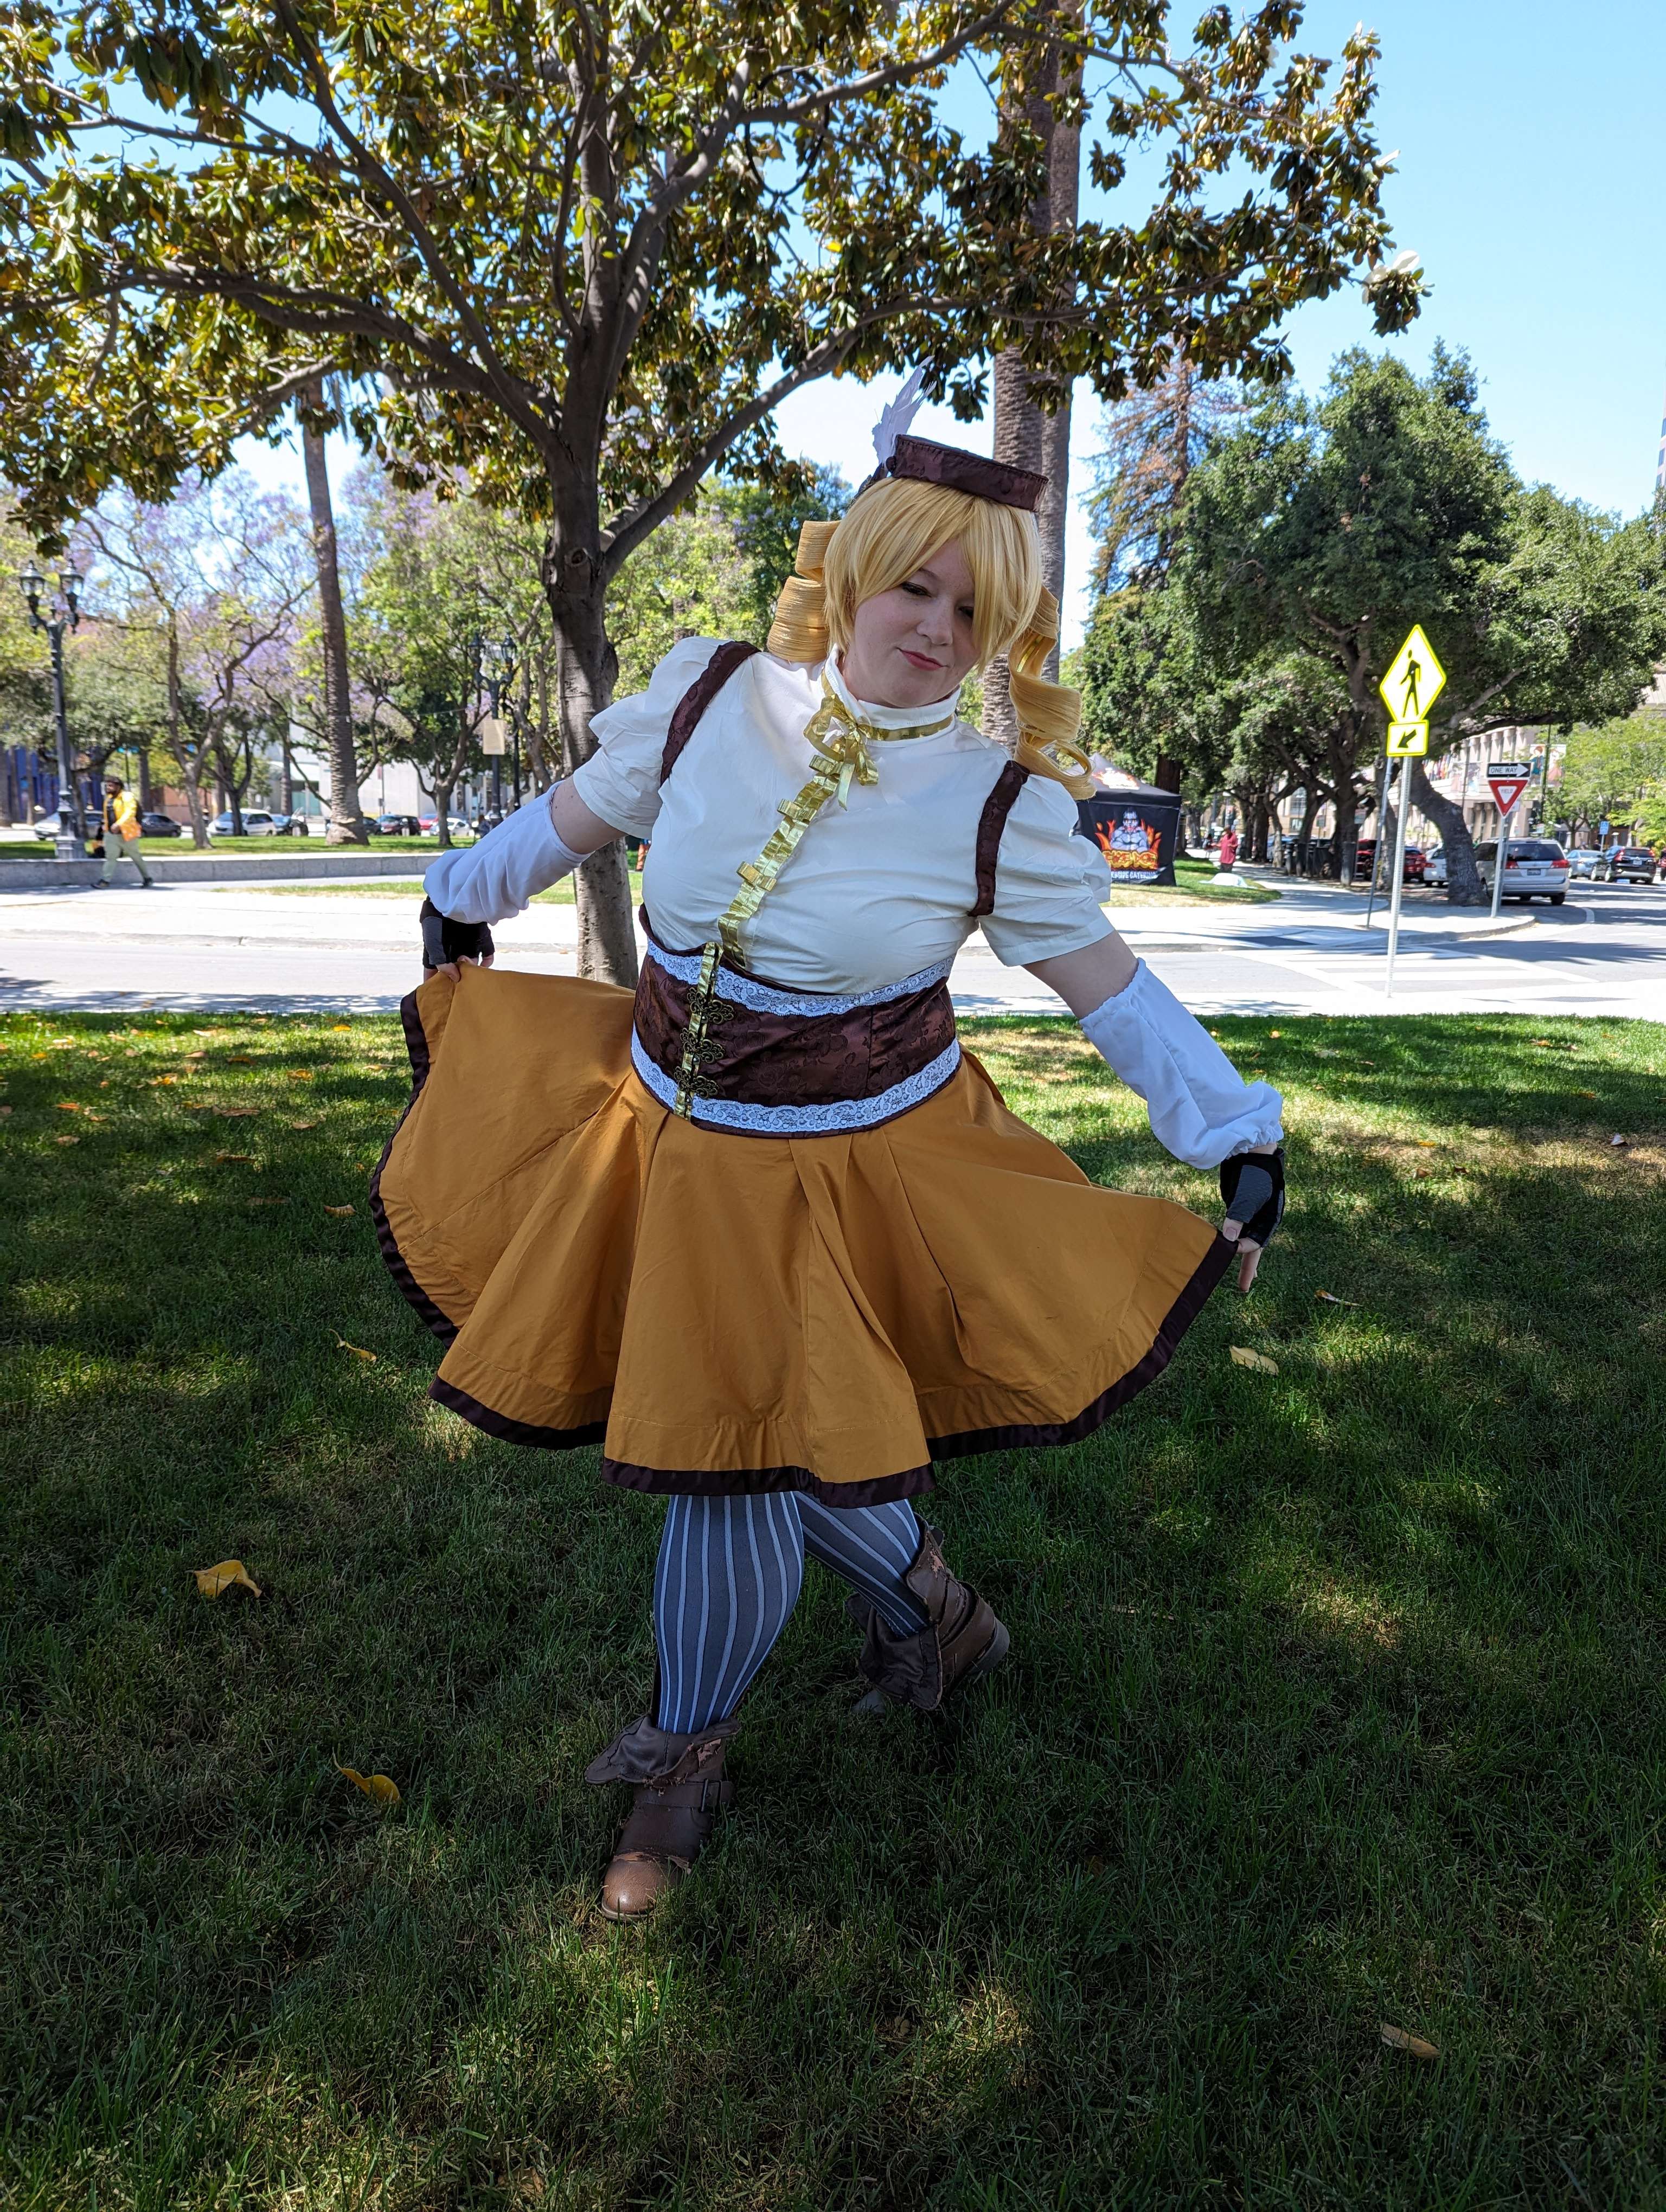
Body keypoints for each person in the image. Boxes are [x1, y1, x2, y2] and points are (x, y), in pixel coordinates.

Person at [372, 394, 1286, 1920]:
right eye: (914, 584)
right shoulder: (709, 695)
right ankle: (935, 1613)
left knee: (731, 1462)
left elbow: (1119, 999)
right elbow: (577, 819)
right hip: (664, 1128)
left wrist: (1234, 1133)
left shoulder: (1001, 813)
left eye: (973, 607)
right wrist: (465, 893)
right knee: (786, 1430)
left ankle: (681, 1764)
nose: (935, 626)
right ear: (856, 570)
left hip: (847, 1171)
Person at [93, 776, 153, 888]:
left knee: (136, 857)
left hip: (127, 834)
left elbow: (130, 812)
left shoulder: (127, 796)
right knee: (110, 857)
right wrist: (105, 827)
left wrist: (119, 824)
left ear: (118, 786)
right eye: (107, 785)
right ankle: (105, 881)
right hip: (111, 835)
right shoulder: (108, 799)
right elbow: (108, 816)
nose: (108, 787)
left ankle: (147, 878)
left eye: (111, 785)